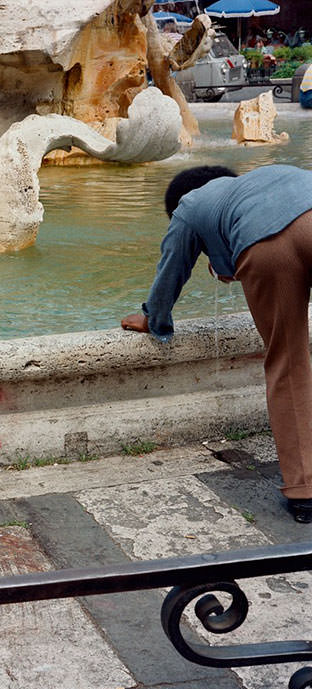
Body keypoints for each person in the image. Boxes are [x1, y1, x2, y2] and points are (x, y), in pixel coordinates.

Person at [121, 164, 312, 524]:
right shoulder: (264, 178)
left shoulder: (190, 205)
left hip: (267, 246)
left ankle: (305, 492)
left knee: (288, 362)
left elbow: (172, 267)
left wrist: (153, 319)